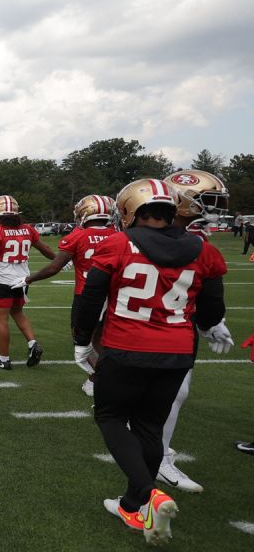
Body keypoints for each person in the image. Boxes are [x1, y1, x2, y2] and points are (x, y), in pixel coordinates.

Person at [73, 179, 228, 545]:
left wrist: (81, 342)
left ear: (129, 210)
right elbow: (212, 311)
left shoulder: (117, 242)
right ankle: (132, 505)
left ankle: (146, 492)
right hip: (176, 353)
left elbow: (90, 298)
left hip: (126, 347)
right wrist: (208, 327)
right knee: (149, 425)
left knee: (110, 416)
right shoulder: (203, 249)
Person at [153, 170, 235, 493]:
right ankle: (154, 459)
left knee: (177, 391)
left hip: (177, 325)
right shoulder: (146, 237)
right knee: (163, 391)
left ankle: (156, 453)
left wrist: (208, 322)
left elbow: (194, 288)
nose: (213, 209)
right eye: (206, 201)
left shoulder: (197, 241)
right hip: (145, 324)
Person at [27, 195, 116, 396]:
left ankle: (99, 379)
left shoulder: (76, 236)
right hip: (113, 295)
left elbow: (54, 267)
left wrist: (29, 279)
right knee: (101, 339)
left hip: (87, 296)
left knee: (81, 340)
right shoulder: (118, 235)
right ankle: (102, 378)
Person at [0, 195, 55, 370]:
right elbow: (46, 250)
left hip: (2, 281)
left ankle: (4, 359)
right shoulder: (27, 229)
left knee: (1, 319)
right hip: (23, 279)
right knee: (18, 312)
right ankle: (32, 343)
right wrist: (60, 261)